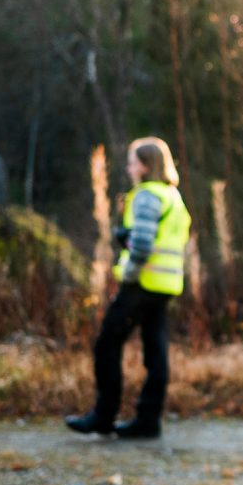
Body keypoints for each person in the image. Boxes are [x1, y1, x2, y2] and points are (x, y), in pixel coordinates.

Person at [66, 136, 191, 440]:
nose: (129, 166)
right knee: (155, 351)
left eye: (133, 161)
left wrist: (128, 273)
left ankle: (103, 415)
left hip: (142, 283)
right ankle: (148, 421)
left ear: (146, 165)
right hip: (167, 284)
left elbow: (146, 244)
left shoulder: (147, 195)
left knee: (107, 343)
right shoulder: (172, 196)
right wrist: (129, 238)